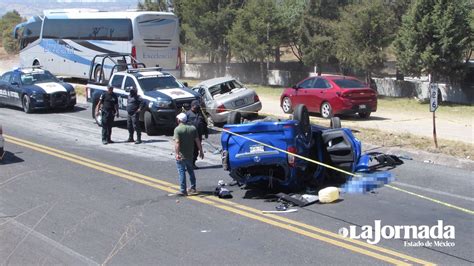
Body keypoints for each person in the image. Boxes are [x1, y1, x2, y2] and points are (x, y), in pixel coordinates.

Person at [173, 113, 204, 196]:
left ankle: (183, 190)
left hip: (181, 155)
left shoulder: (177, 129)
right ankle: (193, 188)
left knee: (181, 171)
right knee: (191, 171)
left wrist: (176, 153)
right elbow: (198, 140)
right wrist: (201, 151)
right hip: (190, 154)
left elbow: (177, 142)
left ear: (179, 120)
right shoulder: (192, 128)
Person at [185, 100, 208, 169]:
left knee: (196, 149)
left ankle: (193, 163)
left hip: (198, 135)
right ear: (192, 106)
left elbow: (204, 123)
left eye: (197, 106)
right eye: (195, 106)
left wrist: (206, 133)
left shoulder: (200, 114)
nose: (196, 108)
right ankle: (187, 163)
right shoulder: (187, 114)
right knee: (189, 150)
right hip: (189, 135)